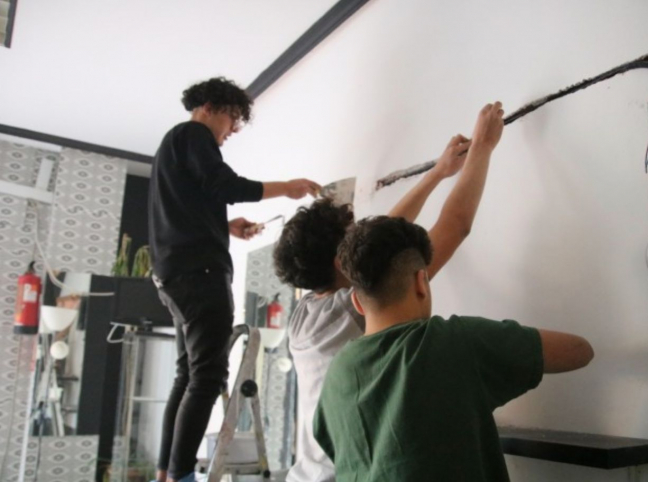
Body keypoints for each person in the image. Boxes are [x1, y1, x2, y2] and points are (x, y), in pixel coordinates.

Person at [275, 102, 510, 481]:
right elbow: (454, 225)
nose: (361, 242)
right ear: (341, 262)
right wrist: (483, 146)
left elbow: (384, 234)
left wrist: (437, 173)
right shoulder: (354, 306)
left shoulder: (304, 315)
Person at [313, 213, 594, 481]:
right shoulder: (454, 342)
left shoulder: (338, 371)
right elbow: (580, 351)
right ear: (421, 281)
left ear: (357, 302)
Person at [148, 77, 320, 482]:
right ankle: (180, 475)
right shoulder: (193, 134)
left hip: (174, 276)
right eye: (232, 118)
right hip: (199, 275)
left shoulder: (172, 147)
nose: (234, 130)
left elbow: (183, 210)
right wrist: (287, 188)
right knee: (207, 377)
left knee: (188, 375)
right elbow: (224, 185)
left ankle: (167, 472)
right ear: (210, 107)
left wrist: (225, 227)